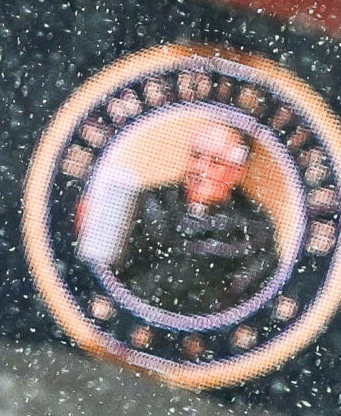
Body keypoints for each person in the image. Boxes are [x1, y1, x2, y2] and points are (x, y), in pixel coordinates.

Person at [110, 120, 281, 316]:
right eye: (196, 156)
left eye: (215, 162)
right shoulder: (151, 203)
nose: (199, 169)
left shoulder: (255, 230)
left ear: (236, 172)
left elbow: (244, 299)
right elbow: (121, 273)